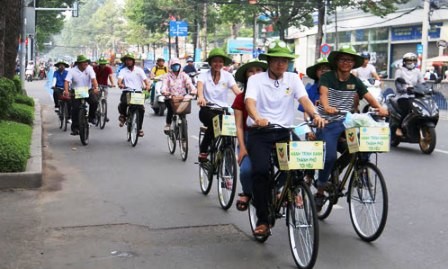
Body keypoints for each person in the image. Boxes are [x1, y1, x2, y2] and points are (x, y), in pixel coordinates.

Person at [244, 40, 326, 236]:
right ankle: (263, 220)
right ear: (269, 61)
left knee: (299, 166)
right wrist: (257, 118)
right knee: (262, 171)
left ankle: (287, 191)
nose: (281, 64)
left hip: (283, 132)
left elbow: (304, 99)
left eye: (285, 60)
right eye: (277, 60)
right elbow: (250, 102)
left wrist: (315, 114)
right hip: (260, 133)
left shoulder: (292, 78)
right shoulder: (256, 80)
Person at [314, 45, 388, 211]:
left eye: (350, 60)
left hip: (347, 122)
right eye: (343, 59)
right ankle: (320, 190)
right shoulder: (327, 77)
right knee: (329, 157)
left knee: (361, 146)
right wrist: (326, 107)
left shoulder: (355, 81)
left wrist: (380, 108)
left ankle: (358, 170)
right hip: (328, 122)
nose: (346, 63)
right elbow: (323, 94)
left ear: (354, 63)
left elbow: (368, 96)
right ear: (337, 61)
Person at [231, 59, 267, 211]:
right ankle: (246, 192)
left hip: (274, 134)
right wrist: (243, 149)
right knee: (246, 170)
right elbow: (239, 126)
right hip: (249, 136)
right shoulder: (241, 98)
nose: (254, 74)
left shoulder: (273, 92)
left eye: (258, 71)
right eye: (250, 71)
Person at [197, 48, 241, 161]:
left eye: (220, 61)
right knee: (214, 122)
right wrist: (201, 97)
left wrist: (247, 100)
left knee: (231, 129)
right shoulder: (203, 75)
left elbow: (237, 92)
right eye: (215, 61)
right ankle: (203, 149)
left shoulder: (228, 76)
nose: (218, 64)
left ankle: (227, 152)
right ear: (210, 62)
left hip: (222, 110)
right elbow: (200, 88)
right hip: (207, 109)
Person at [298, 58, 331, 183]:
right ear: (316, 72)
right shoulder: (310, 90)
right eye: (321, 69)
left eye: (328, 69)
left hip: (334, 127)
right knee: (312, 144)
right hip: (315, 127)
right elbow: (306, 112)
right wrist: (309, 129)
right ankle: (309, 175)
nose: (324, 71)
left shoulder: (337, 88)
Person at [64, 55, 99, 136]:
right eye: (84, 62)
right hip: (76, 91)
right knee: (75, 109)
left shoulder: (89, 68)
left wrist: (96, 88)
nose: (86, 64)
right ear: (79, 63)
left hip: (88, 90)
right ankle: (75, 128)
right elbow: (66, 81)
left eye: (87, 62)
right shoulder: (72, 71)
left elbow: (93, 79)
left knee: (94, 102)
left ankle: (91, 118)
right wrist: (66, 91)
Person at [117, 53, 151, 137]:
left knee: (141, 109)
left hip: (138, 92)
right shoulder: (123, 70)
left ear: (133, 61)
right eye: (126, 60)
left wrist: (147, 86)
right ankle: (123, 116)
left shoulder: (139, 70)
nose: (128, 62)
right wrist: (120, 84)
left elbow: (146, 80)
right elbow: (119, 80)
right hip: (127, 91)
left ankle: (139, 129)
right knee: (123, 102)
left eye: (130, 60)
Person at [161, 58, 197, 132]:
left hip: (182, 98)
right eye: (174, 65)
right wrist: (164, 91)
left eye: (177, 65)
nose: (176, 67)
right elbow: (164, 85)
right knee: (170, 110)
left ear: (180, 66)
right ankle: (168, 124)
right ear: (171, 66)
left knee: (183, 113)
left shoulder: (184, 75)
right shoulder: (167, 76)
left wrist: (193, 90)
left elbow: (189, 84)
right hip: (171, 97)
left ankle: (184, 134)